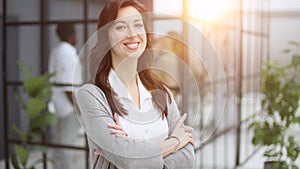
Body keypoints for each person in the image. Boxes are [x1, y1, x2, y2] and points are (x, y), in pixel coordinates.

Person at [74, 0, 195, 168]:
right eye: (121, 27)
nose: (132, 34)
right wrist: (174, 142)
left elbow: (187, 156)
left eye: (138, 25)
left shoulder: (162, 92)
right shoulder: (92, 95)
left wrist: (133, 151)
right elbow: (127, 158)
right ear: (106, 36)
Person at [48, 22, 83, 169]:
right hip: (68, 107)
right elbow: (68, 86)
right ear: (72, 34)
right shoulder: (67, 53)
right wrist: (78, 108)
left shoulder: (57, 51)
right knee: (67, 146)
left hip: (59, 105)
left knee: (60, 144)